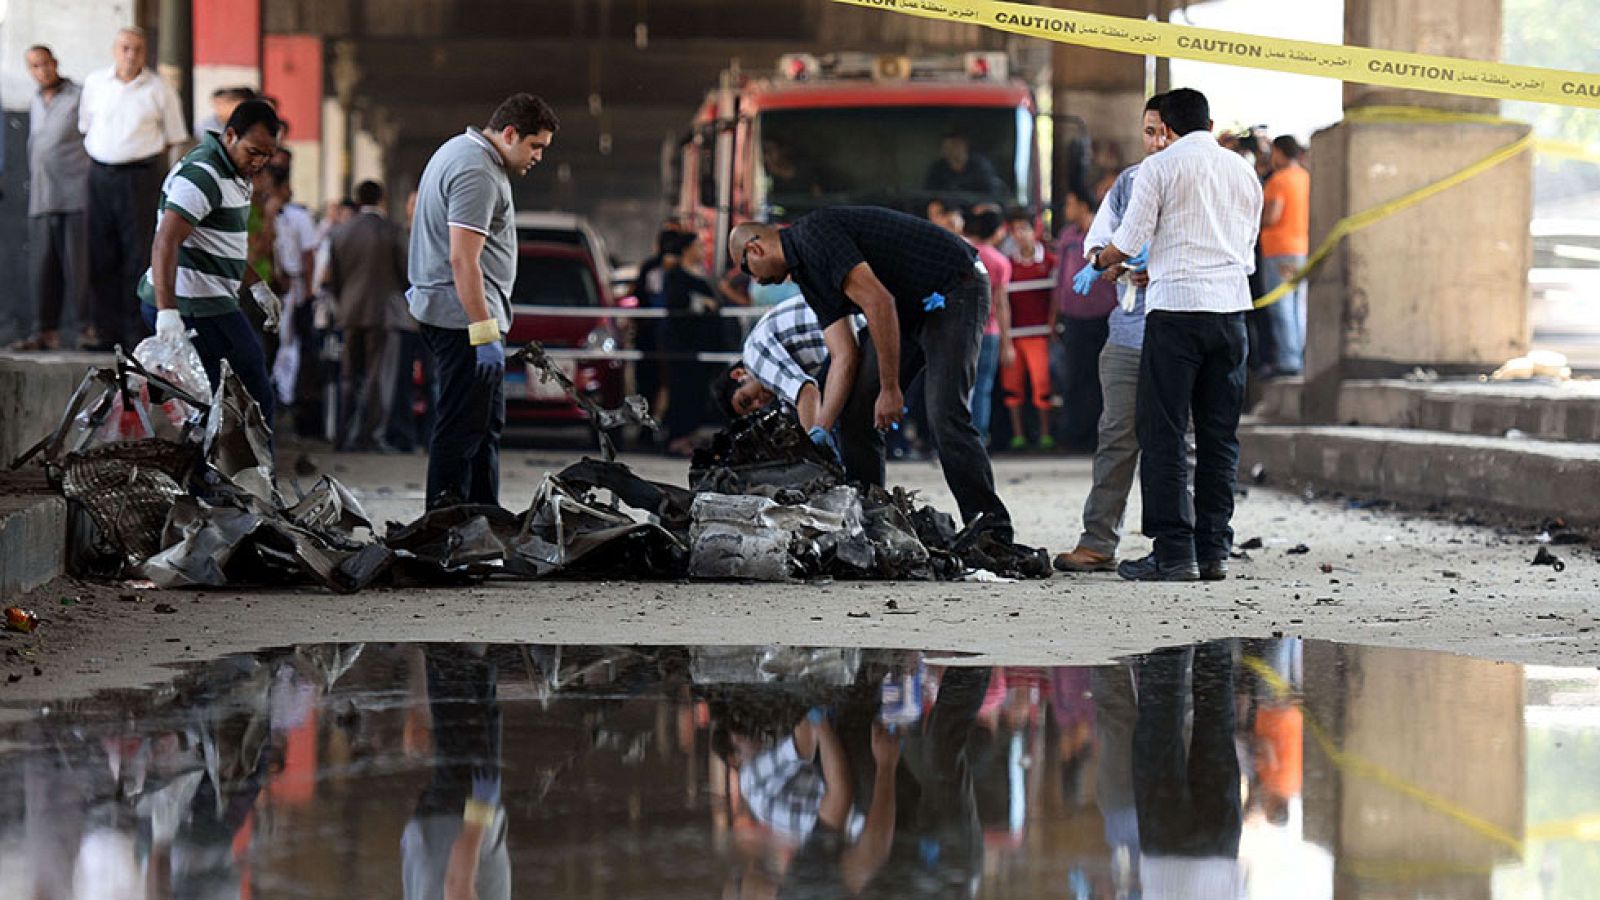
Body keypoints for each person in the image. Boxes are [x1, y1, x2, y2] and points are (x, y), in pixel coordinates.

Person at [731, 207, 1014, 540]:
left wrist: (890, 389)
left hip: (954, 288)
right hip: (909, 308)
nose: (758, 281)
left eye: (749, 270)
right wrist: (821, 429)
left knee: (945, 414)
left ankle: (991, 529)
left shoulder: (815, 233)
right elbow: (844, 355)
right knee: (856, 414)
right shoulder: (808, 277)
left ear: (755, 248)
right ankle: (867, 520)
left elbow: (879, 303)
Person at [1093, 88, 1262, 582]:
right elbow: (1247, 242)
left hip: (1177, 313)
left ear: (1165, 128)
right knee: (1218, 437)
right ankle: (1213, 551)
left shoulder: (1159, 169)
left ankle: (1173, 553)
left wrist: (1100, 259)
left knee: (1163, 434)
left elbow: (1130, 239)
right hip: (1231, 314)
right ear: (1209, 124)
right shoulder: (1243, 170)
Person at [408, 93, 559, 509]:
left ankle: (481, 521)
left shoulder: (463, 153)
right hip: (462, 320)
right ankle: (449, 528)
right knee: (462, 427)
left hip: (461, 315)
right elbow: (462, 259)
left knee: (481, 427)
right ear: (510, 133)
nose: (538, 157)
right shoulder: (476, 170)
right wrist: (483, 330)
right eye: (535, 146)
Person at [1055, 94, 1173, 574]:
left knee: (1174, 444)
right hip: (1127, 331)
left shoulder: (1204, 180)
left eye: (1166, 131)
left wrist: (1161, 268)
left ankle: (1179, 546)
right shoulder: (1128, 183)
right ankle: (1098, 541)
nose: (1158, 141)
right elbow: (1096, 245)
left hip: (1181, 329)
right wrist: (1121, 266)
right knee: (1116, 438)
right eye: (1150, 131)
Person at [138, 99, 284, 423]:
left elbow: (221, 245)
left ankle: (224, 472)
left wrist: (257, 286)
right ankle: (241, 473)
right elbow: (166, 240)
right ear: (230, 135)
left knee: (230, 399)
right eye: (254, 151)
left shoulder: (235, 173)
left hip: (212, 302)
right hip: (194, 306)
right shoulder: (203, 175)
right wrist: (167, 313)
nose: (260, 162)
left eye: (267, 154)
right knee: (244, 397)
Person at [81, 27, 189, 351]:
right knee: (100, 253)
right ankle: (105, 332)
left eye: (138, 49)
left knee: (138, 253)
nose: (131, 54)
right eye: (125, 48)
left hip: (140, 175)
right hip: (100, 173)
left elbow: (173, 137)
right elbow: (86, 125)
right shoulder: (95, 83)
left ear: (146, 53)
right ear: (115, 50)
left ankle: (136, 333)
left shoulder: (160, 89)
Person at [713, 296, 866, 470]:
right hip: (856, 326)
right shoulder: (778, 386)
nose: (759, 403)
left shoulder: (754, 358)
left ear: (739, 374)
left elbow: (807, 393)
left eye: (746, 399)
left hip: (858, 324)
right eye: (756, 408)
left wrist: (817, 459)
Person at [13, 45, 92, 351]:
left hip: (76, 195)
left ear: (55, 63)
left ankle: (88, 329)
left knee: (80, 268)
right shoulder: (35, 100)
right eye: (34, 66)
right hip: (43, 197)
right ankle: (46, 332)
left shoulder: (80, 95)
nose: (41, 70)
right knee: (43, 268)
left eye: (45, 64)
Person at [330, 179, 409, 451]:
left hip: (350, 311)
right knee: (379, 378)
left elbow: (335, 277)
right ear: (382, 199)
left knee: (349, 376)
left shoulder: (341, 232)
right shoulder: (393, 230)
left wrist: (344, 303)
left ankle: (344, 435)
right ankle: (372, 436)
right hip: (385, 313)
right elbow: (405, 273)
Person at [1053, 187, 1119, 452]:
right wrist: (1055, 310)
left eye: (1070, 203)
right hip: (1073, 316)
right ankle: (1075, 435)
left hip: (1103, 315)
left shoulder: (1105, 234)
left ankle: (1097, 436)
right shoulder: (1067, 236)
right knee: (1074, 377)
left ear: (1083, 206)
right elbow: (1060, 277)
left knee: (1100, 377)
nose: (1067, 210)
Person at [659, 232, 724, 455]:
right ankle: (677, 435)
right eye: (698, 246)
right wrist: (703, 303)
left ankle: (690, 432)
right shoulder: (675, 275)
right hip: (682, 344)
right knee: (682, 390)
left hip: (703, 345)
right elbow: (675, 301)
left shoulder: (703, 274)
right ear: (686, 249)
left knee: (698, 391)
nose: (702, 250)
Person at [1000, 210, 1058, 451]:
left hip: (1039, 335)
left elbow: (1056, 297)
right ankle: (1018, 435)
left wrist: (1052, 324)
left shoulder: (1051, 262)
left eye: (1025, 228)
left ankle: (1045, 434)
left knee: (1042, 385)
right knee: (1012, 387)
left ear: (1036, 230)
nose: (1020, 235)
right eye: (1016, 230)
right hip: (1014, 335)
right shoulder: (1008, 265)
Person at [1258, 135, 1311, 377]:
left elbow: (1272, 216)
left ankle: (1288, 361)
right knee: (1298, 306)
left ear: (1279, 152)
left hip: (1278, 250)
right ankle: (1298, 356)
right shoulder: (1305, 177)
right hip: (1302, 248)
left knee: (1281, 307)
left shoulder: (1278, 180)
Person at [962, 209, 1012, 447]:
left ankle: (955, 438)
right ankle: (978, 440)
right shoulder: (1000, 262)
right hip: (989, 331)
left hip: (961, 329)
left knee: (959, 387)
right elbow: (1001, 304)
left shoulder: (964, 252)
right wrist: (1007, 342)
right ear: (998, 230)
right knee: (983, 387)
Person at [924, 128, 1004, 199]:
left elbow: (992, 191)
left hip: (976, 209)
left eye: (955, 145)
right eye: (946, 147)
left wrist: (985, 204)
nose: (951, 150)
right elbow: (930, 194)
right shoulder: (938, 169)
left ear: (964, 145)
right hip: (948, 210)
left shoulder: (980, 166)